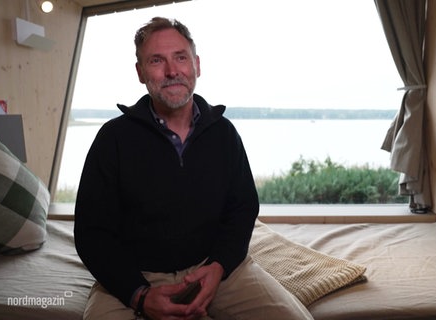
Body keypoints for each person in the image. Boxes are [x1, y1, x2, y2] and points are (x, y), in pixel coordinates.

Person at [74, 17, 313, 320]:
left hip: (216, 270)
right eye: (157, 60)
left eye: (180, 57)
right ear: (140, 72)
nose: (172, 71)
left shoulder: (224, 134)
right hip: (135, 277)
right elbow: (91, 233)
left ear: (197, 65)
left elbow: (242, 210)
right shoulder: (113, 139)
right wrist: (139, 294)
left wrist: (219, 266)